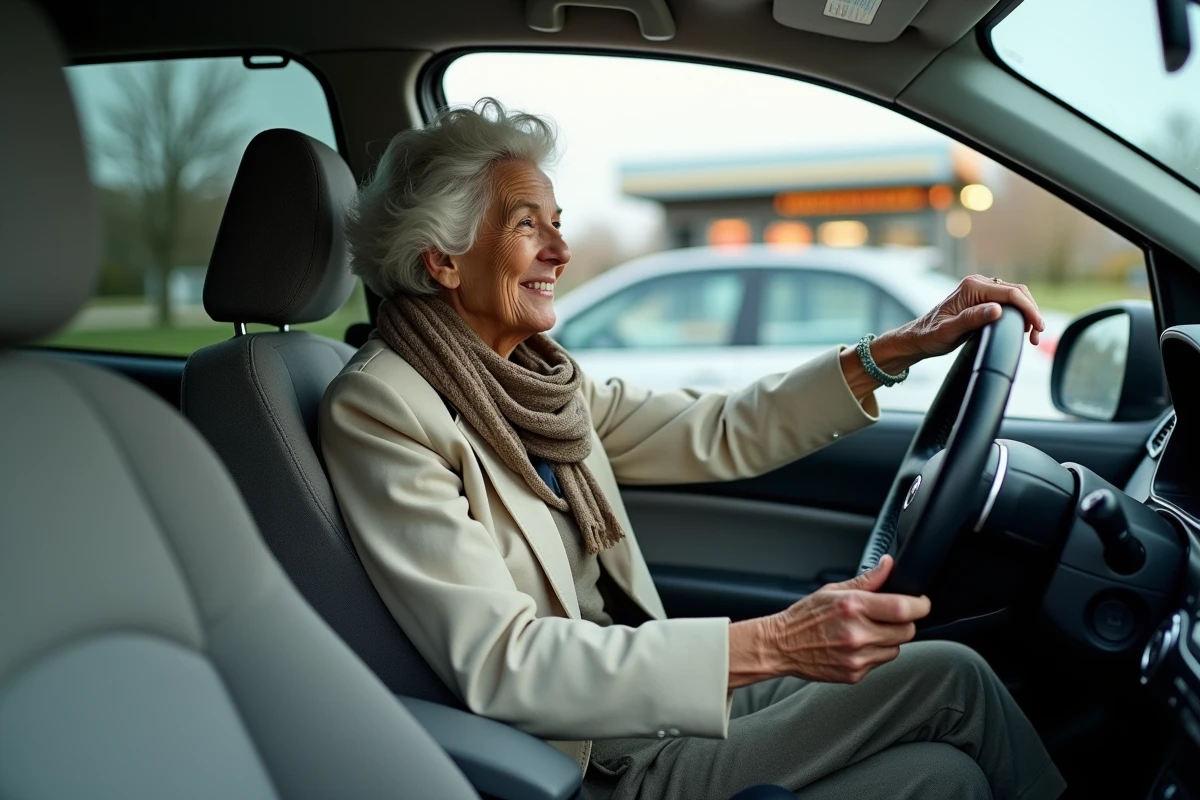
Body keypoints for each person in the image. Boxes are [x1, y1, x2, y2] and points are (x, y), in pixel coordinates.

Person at [318, 97, 1064, 800]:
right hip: (584, 759)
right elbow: (502, 661)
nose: (562, 249)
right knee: (952, 680)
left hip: (644, 705)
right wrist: (772, 644)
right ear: (442, 261)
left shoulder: (533, 383)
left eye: (558, 221)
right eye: (526, 226)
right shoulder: (384, 407)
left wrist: (895, 350)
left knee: (944, 778)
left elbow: (719, 427)